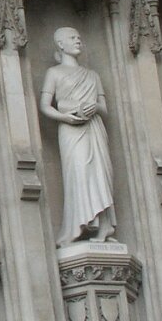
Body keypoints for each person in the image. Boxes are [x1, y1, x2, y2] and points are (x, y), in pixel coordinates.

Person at [38, 27, 116, 244]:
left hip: (94, 128)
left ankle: (104, 227)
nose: (78, 41)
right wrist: (65, 117)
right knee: (79, 173)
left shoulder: (93, 75)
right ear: (60, 44)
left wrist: (95, 107)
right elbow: (45, 106)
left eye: (79, 37)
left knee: (100, 174)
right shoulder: (54, 73)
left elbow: (104, 108)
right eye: (72, 38)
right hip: (71, 129)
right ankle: (76, 227)